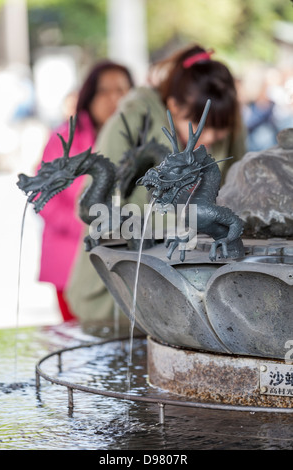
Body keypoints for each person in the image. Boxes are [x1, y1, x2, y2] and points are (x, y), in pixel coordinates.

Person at [66, 44, 247, 324]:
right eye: (200, 125)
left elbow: (237, 189)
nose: (210, 138)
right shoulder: (133, 118)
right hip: (115, 292)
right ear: (173, 106)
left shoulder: (226, 122)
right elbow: (95, 208)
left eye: (219, 129)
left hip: (186, 289)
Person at [37, 60, 134, 321]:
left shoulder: (138, 139)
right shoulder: (65, 137)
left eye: (122, 89)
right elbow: (42, 195)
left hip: (121, 261)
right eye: (105, 90)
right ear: (89, 96)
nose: (115, 98)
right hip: (69, 258)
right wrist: (81, 224)